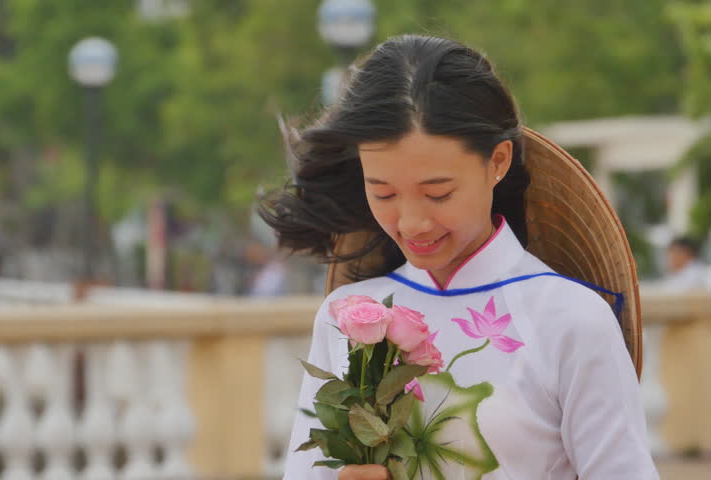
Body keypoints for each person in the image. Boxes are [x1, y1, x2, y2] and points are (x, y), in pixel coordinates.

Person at [259, 35, 657, 479]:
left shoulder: (570, 320)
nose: (411, 223)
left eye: (438, 193)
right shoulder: (349, 319)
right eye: (383, 192)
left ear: (498, 162)